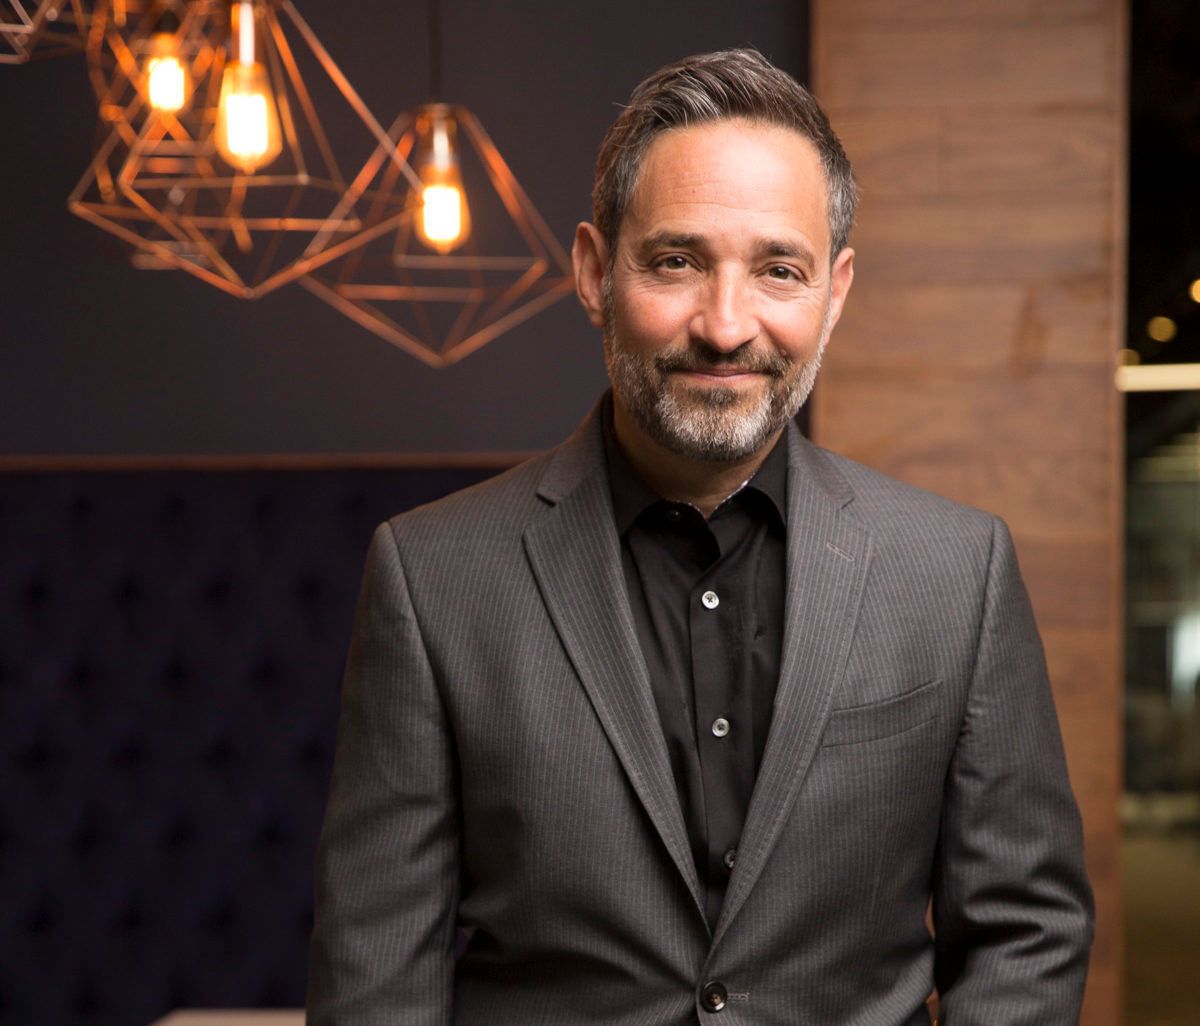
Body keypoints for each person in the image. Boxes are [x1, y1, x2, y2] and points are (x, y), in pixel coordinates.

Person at [306, 49, 1094, 1025]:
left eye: (778, 270)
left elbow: (1025, 932)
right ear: (595, 273)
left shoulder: (956, 571)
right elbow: (377, 972)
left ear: (834, 294)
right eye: (677, 261)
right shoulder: (433, 577)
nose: (726, 326)